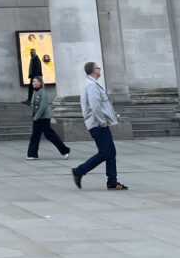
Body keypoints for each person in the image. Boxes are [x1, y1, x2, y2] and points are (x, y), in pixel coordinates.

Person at [71, 62, 128, 191]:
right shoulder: (91, 86)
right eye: (98, 68)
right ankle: (79, 171)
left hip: (99, 123)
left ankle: (112, 182)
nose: (100, 69)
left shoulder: (92, 84)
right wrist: (102, 121)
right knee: (105, 153)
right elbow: (95, 106)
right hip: (97, 124)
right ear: (92, 71)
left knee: (111, 153)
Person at [25, 76, 70, 160]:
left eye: (34, 81)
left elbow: (42, 106)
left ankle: (65, 150)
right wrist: (34, 115)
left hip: (44, 118)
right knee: (35, 136)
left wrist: (36, 116)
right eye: (32, 82)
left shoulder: (43, 93)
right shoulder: (35, 92)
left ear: (39, 82)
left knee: (50, 135)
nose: (33, 83)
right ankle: (32, 154)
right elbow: (34, 105)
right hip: (38, 118)